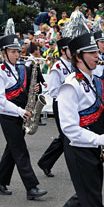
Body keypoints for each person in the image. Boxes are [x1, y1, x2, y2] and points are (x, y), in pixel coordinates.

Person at [45, 32, 104, 207]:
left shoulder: (95, 81)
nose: (98, 55)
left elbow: (96, 114)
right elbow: (69, 129)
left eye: (97, 51)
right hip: (79, 150)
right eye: (92, 52)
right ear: (79, 57)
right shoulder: (70, 87)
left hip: (93, 148)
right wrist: (99, 139)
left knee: (87, 196)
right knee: (95, 206)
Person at [0, 27, 47, 199]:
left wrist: (38, 88)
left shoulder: (22, 68)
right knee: (20, 151)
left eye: (18, 51)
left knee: (12, 150)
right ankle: (32, 188)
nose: (17, 55)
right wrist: (20, 111)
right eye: (13, 52)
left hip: (23, 114)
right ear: (4, 53)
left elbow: (32, 85)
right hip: (9, 117)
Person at [37, 36, 72, 177]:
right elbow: (53, 91)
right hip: (61, 104)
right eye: (70, 49)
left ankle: (45, 162)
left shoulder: (74, 65)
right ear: (63, 51)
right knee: (66, 136)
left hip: (71, 104)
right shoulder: (57, 67)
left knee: (65, 136)